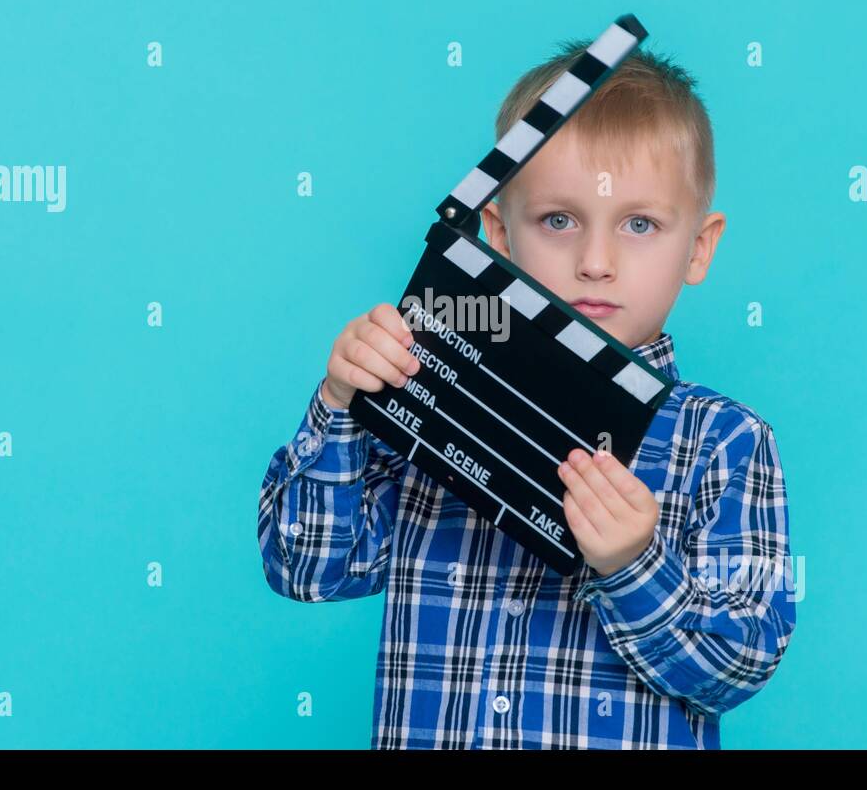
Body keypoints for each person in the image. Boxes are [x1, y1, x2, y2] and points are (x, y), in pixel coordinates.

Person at [256, 38, 797, 748]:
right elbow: (307, 565)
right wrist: (342, 404)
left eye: (640, 224)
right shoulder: (432, 391)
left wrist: (633, 566)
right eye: (558, 220)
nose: (595, 262)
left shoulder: (723, 440)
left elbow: (739, 662)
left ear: (698, 245)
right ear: (498, 233)